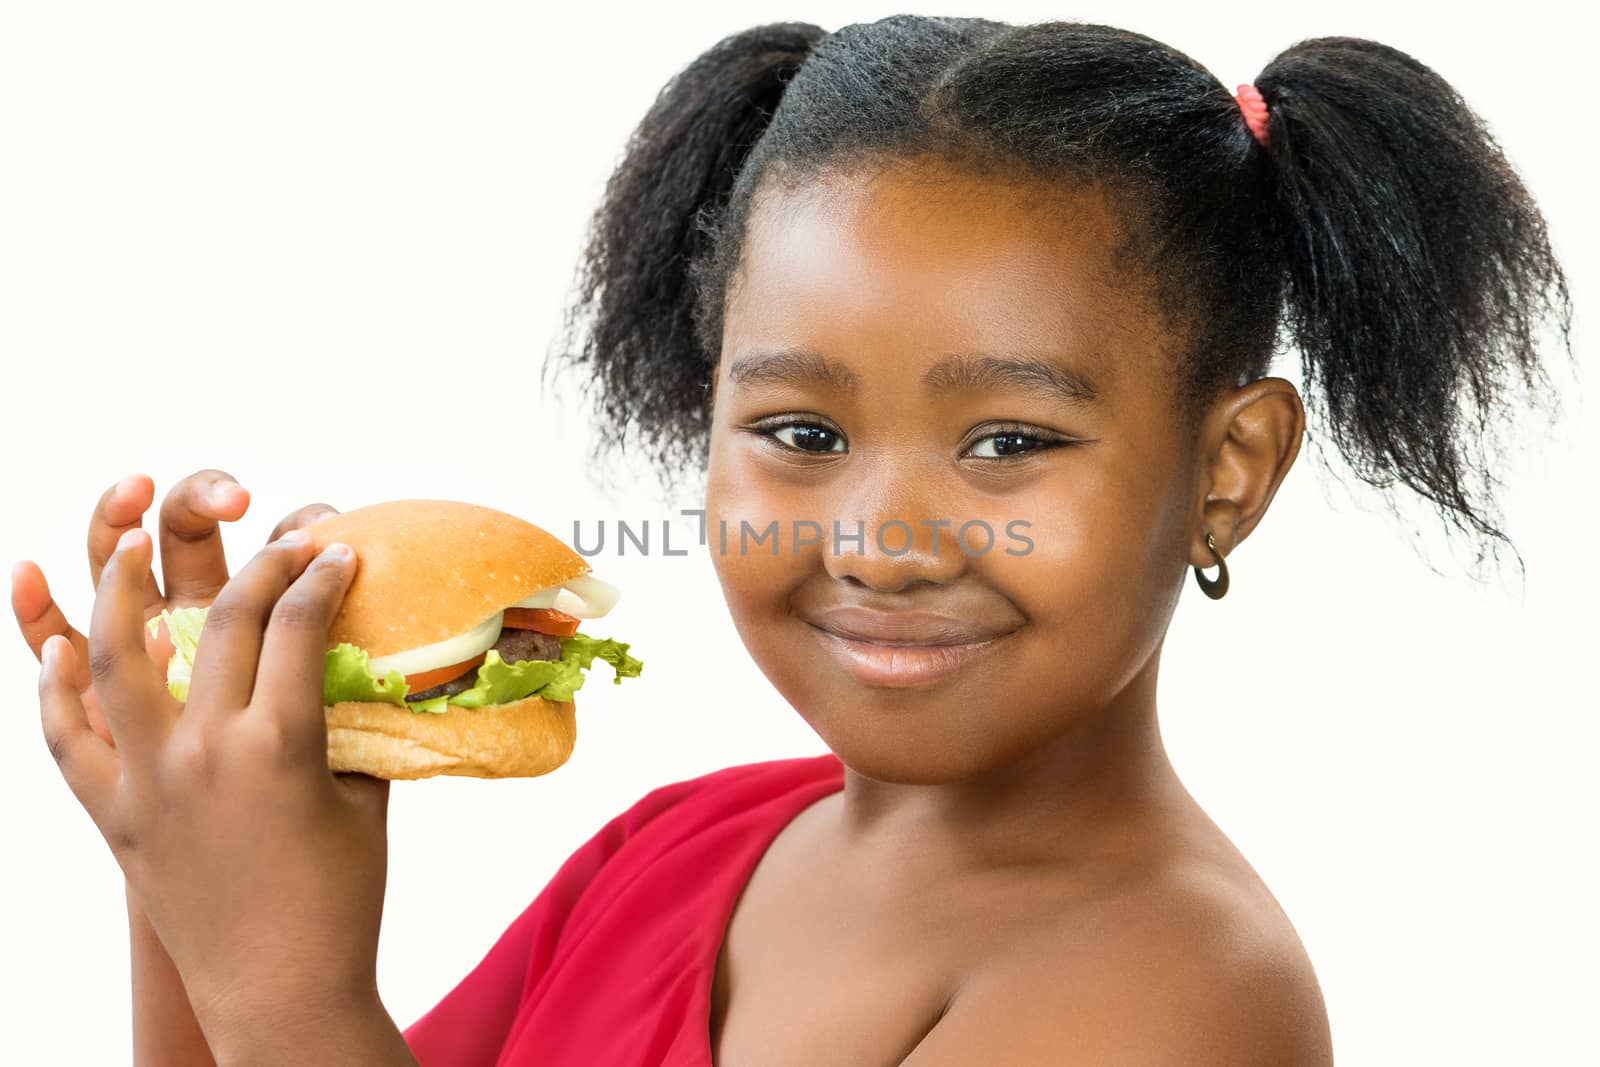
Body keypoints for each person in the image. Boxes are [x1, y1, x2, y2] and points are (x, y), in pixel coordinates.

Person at [10, 14, 1573, 1066]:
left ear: (1228, 470)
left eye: (1010, 442)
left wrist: (287, 981)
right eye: (803, 435)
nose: (881, 542)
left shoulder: (1170, 994)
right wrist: (189, 828)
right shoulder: (687, 840)